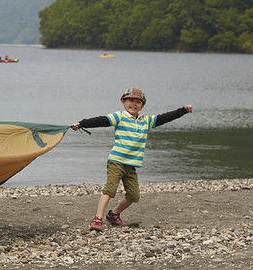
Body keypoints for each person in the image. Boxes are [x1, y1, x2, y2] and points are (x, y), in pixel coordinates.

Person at [70, 88, 193, 231]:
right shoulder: (120, 117)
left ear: (142, 105)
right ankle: (97, 218)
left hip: (131, 165)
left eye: (138, 102)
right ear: (123, 102)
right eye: (130, 100)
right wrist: (81, 123)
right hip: (116, 161)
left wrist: (183, 110)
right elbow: (101, 120)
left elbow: (165, 117)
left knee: (134, 196)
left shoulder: (146, 121)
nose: (134, 104)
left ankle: (114, 214)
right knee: (110, 190)